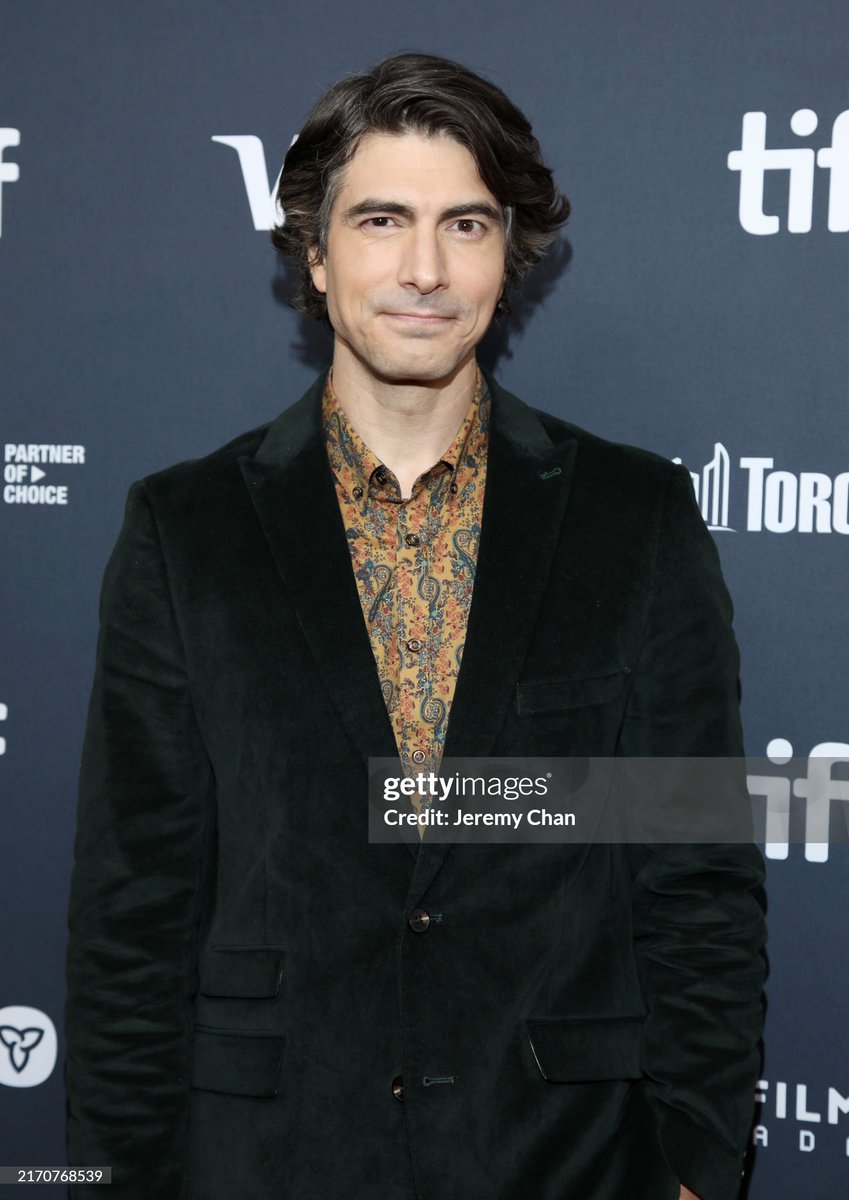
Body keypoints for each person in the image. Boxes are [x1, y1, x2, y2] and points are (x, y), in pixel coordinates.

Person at [65, 52, 766, 1200]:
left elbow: (698, 876)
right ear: (315, 251)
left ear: (510, 253)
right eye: (382, 219)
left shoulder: (633, 517)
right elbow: (134, 913)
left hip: (566, 1159)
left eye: (466, 225)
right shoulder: (185, 531)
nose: (426, 269)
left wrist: (693, 1160)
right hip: (268, 1161)